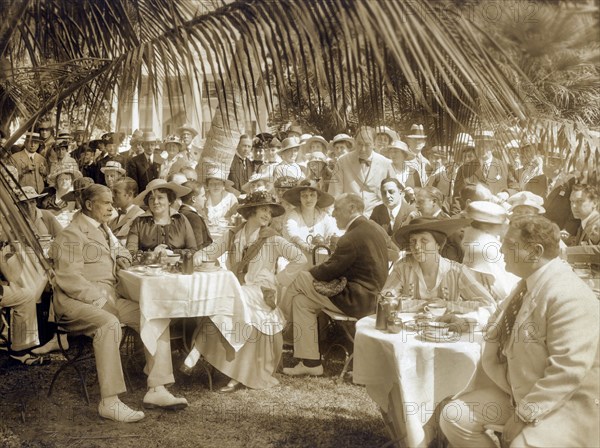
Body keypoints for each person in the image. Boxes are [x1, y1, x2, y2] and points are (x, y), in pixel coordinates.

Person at [440, 215, 599, 448]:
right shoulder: (529, 282)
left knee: (521, 444)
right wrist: (467, 321)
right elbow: (501, 324)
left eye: (510, 244)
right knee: (454, 416)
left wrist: (524, 414)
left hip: (568, 404)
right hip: (519, 392)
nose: (501, 250)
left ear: (535, 251)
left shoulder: (568, 295)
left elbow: (568, 371)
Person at [51, 184, 188, 422]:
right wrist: (98, 300)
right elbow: (69, 279)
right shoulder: (72, 233)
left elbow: (123, 252)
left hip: (109, 296)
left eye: (112, 202)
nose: (111, 207)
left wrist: (122, 260)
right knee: (109, 324)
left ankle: (157, 387)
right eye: (105, 203)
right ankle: (110, 401)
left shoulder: (105, 229)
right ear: (89, 205)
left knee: (153, 314)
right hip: (75, 301)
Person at [191, 190, 306, 391]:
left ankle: (197, 351)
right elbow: (210, 252)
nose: (267, 216)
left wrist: (278, 280)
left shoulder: (273, 239)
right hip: (239, 289)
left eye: (270, 213)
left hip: (262, 293)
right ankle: (224, 364)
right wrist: (198, 256)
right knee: (226, 300)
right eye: (264, 210)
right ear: (251, 211)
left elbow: (300, 259)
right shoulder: (233, 234)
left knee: (233, 301)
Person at [281, 194, 397, 376]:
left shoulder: (352, 237)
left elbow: (327, 272)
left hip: (357, 300)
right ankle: (311, 363)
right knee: (302, 302)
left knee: (302, 277)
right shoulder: (371, 228)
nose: (333, 214)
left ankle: (279, 325)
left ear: (352, 209)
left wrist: (314, 271)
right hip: (370, 298)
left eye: (337, 209)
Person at [328, 126, 395, 216]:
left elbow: (395, 192)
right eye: (359, 144)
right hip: (350, 215)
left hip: (378, 216)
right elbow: (334, 193)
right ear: (355, 142)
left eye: (367, 145)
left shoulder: (385, 163)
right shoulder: (342, 161)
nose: (362, 149)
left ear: (374, 144)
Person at [461, 201, 520, 300]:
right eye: (500, 224)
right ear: (486, 227)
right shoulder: (485, 247)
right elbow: (502, 289)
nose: (504, 226)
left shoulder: (474, 241)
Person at [126, 179, 196, 254]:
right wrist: (152, 254)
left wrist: (173, 253)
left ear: (169, 200)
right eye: (151, 198)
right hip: (147, 265)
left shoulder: (181, 219)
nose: (155, 202)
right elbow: (130, 252)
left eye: (160, 197)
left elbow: (193, 250)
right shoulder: (139, 222)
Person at [282, 179, 338, 265]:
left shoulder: (323, 216)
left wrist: (331, 242)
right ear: (299, 198)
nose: (308, 199)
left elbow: (332, 233)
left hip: (320, 257)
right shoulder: (293, 215)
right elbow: (292, 234)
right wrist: (305, 246)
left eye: (312, 195)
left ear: (318, 197)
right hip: (296, 257)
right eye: (304, 196)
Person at [109, 177, 144, 245]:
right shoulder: (113, 219)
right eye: (112, 192)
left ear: (129, 195)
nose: (112, 196)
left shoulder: (140, 217)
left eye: (116, 192)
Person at [179, 181, 213, 250]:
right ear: (193, 199)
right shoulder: (193, 217)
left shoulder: (179, 212)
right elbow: (198, 246)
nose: (205, 199)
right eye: (203, 196)